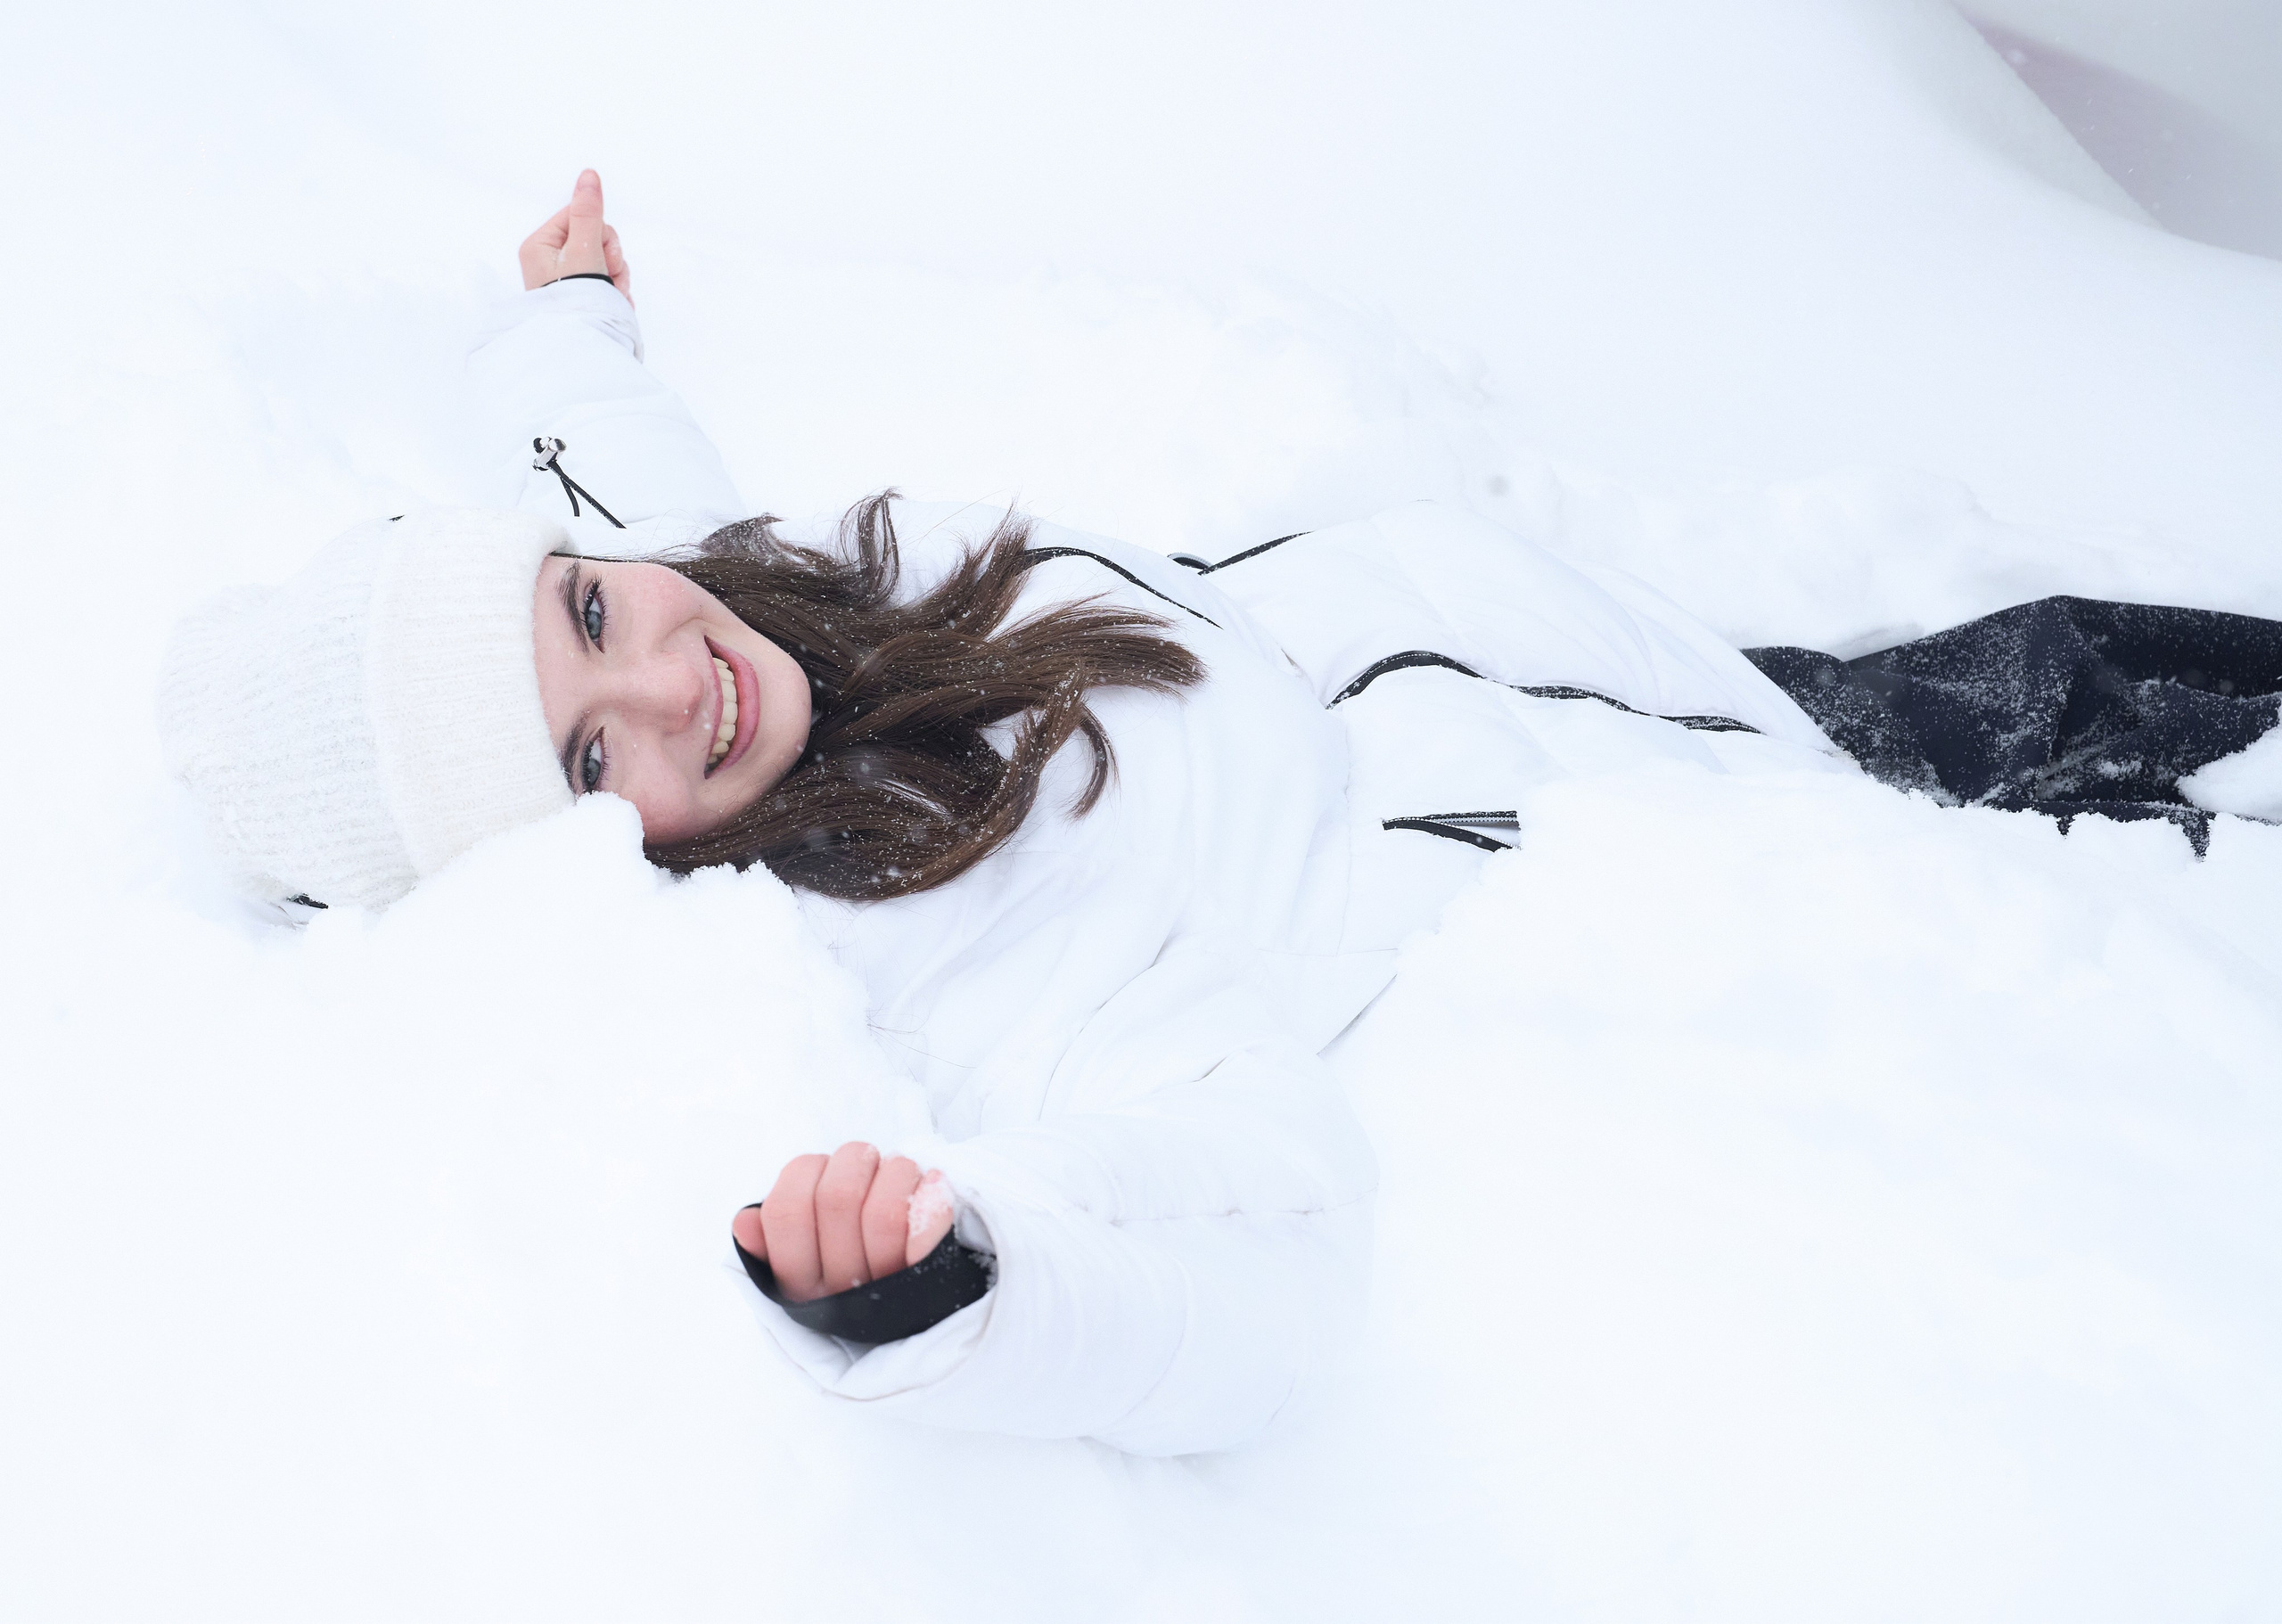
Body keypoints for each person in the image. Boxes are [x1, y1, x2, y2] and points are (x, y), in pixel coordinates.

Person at [156, 173, 2282, 1455]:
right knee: (2108, 822)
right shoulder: (925, 949)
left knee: (2093, 665)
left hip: (1542, 638)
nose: (658, 676)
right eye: (584, 754)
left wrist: (562, 319)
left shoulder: (720, 595)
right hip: (1629, 830)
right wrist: (947, 1299)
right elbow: (1239, 1249)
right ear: (570, 875)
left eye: (592, 614)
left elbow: (595, 462)